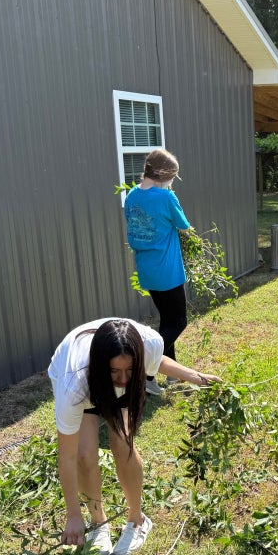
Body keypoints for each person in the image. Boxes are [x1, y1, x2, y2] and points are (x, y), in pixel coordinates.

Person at [48, 317, 220, 555]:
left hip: (106, 372)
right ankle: (98, 523)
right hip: (86, 381)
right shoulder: (73, 386)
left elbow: (156, 361)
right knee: (84, 455)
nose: (123, 379)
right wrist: (74, 515)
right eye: (115, 371)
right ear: (102, 366)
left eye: (130, 370)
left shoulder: (148, 344)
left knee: (122, 444)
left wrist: (196, 376)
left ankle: (137, 519)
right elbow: (66, 456)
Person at [124, 148, 191, 396]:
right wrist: (171, 197)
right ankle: (145, 369)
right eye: (172, 177)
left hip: (147, 271)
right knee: (179, 322)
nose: (172, 182)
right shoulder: (166, 198)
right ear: (163, 174)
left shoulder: (131, 196)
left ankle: (170, 374)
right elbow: (184, 226)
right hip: (168, 271)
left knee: (167, 320)